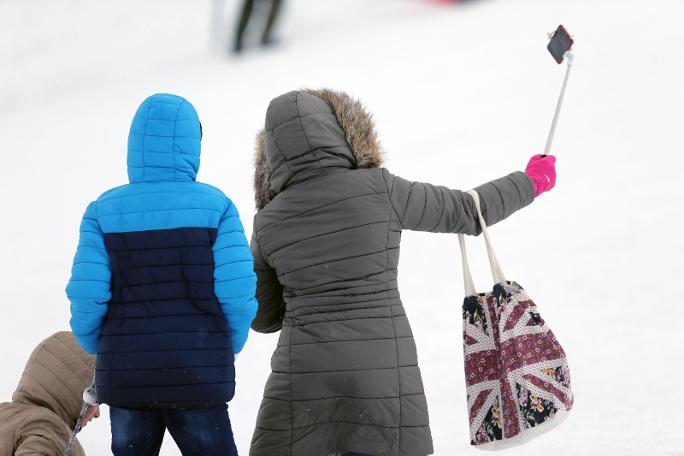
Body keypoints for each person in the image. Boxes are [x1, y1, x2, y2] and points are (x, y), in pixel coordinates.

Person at [248, 89, 557, 456]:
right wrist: (531, 181)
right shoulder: (381, 189)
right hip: (382, 371)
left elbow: (263, 318)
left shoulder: (269, 222)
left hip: (303, 377)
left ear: (271, 155)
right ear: (340, 131)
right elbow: (468, 210)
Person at [66, 93, 258, 456]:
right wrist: (221, 344)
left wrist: (102, 347)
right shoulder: (217, 207)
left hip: (128, 373)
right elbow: (237, 290)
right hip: (197, 371)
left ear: (135, 144)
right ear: (191, 144)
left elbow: (86, 293)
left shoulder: (102, 212)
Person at [0, 331, 98, 456]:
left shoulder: (5, 415)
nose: (97, 414)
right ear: (78, 393)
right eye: (96, 399)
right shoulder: (47, 429)